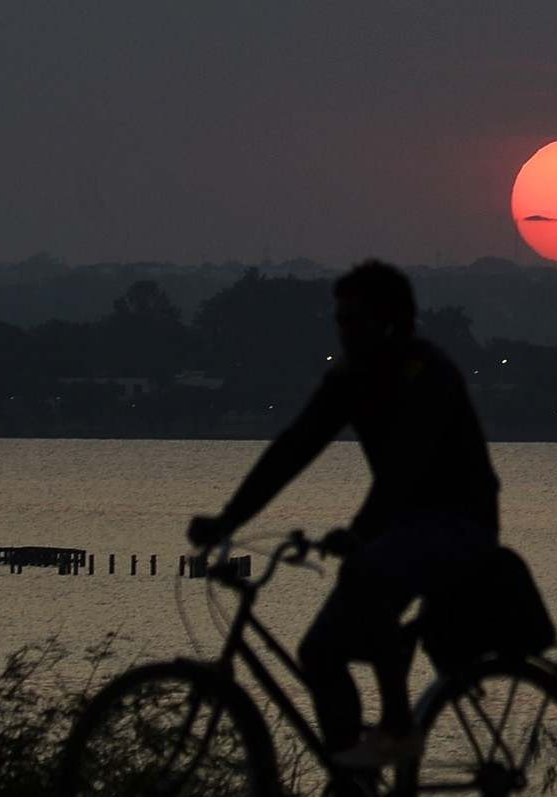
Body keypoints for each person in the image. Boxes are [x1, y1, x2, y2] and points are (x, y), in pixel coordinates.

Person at [188, 259, 500, 769]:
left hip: (459, 524)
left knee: (366, 569)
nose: (346, 329)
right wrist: (228, 520)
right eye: (341, 319)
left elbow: (408, 467)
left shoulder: (426, 372)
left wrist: (360, 533)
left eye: (356, 318)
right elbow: (293, 450)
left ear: (390, 320)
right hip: (404, 530)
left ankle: (398, 727)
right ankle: (352, 773)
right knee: (319, 653)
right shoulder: (350, 380)